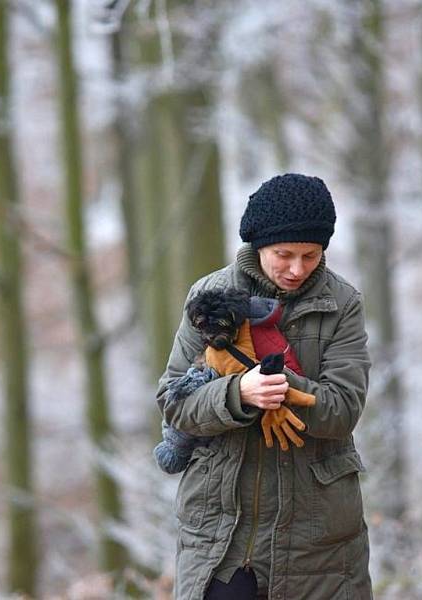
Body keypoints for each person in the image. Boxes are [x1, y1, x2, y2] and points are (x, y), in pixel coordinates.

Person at [156, 173, 373, 600]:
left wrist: (275, 382)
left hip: (318, 540)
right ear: (258, 246)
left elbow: (344, 409)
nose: (296, 269)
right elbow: (174, 402)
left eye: (310, 255)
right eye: (284, 254)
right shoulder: (210, 297)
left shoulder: (343, 305)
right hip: (220, 537)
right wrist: (238, 394)